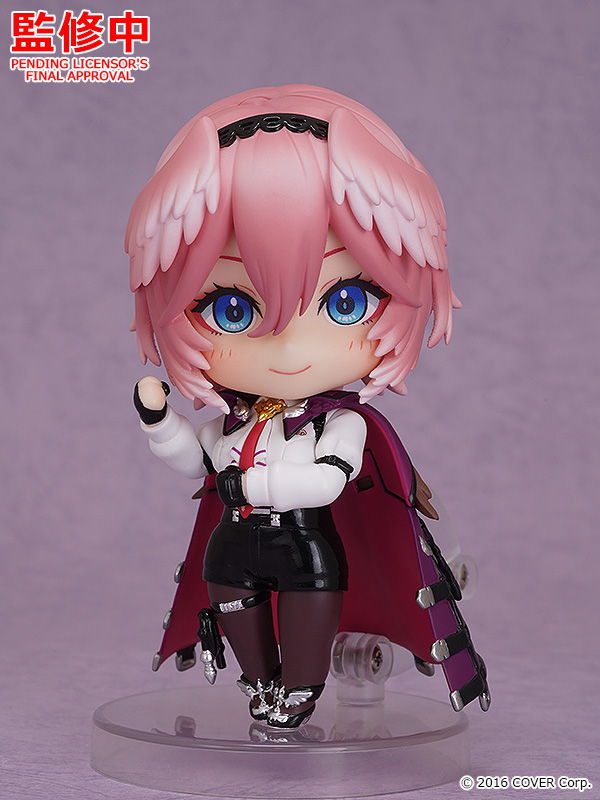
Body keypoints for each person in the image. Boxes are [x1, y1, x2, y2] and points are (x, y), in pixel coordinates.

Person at [127, 85, 487, 728]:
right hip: (234, 543)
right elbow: (195, 460)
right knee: (233, 604)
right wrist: (160, 424)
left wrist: (252, 484)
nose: (289, 348)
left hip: (302, 543)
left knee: (304, 612)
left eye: (345, 301)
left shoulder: (340, 424)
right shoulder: (236, 424)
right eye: (230, 309)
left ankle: (298, 689)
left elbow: (328, 481)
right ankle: (259, 683)